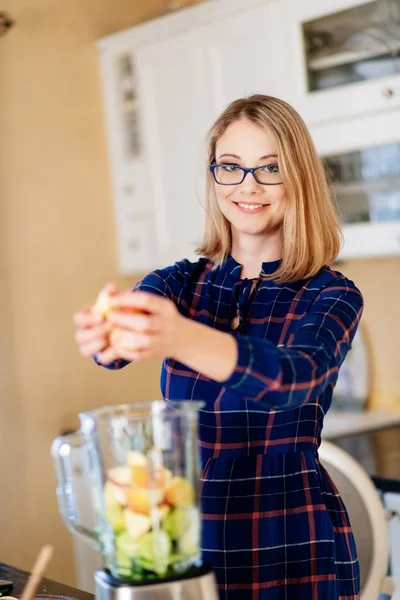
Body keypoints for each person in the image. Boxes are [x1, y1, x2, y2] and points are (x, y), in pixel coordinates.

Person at [74, 94, 363, 599]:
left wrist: (178, 335)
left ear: (298, 177)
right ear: (214, 177)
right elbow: (114, 350)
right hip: (188, 524)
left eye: (269, 167)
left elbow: (292, 379)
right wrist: (108, 332)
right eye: (231, 167)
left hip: (289, 530)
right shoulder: (178, 284)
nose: (248, 185)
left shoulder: (331, 295)